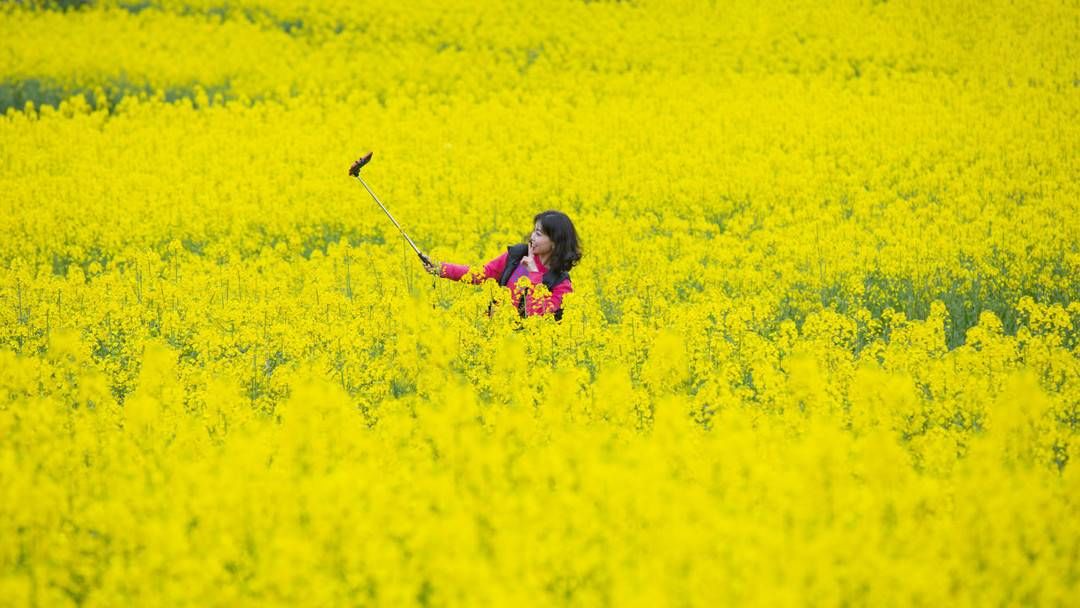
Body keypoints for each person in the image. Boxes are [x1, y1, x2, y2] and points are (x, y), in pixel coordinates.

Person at [422, 210, 581, 319]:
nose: (532, 237)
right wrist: (440, 268)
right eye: (533, 231)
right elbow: (481, 274)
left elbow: (537, 314)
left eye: (538, 234)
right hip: (491, 334)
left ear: (555, 243)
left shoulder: (561, 285)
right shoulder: (517, 255)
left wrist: (534, 273)